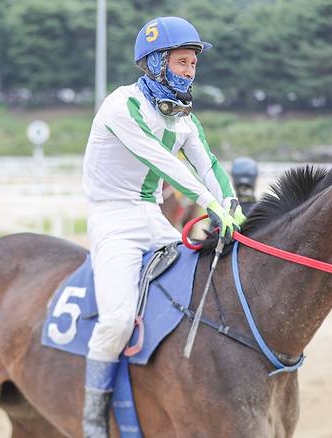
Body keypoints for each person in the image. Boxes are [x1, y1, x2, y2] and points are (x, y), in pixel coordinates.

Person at [81, 16, 246, 437]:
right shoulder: (122, 106)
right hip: (113, 219)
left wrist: (232, 205)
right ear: (156, 63)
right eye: (182, 62)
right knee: (116, 321)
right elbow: (164, 162)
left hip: (153, 218)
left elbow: (208, 164)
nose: (190, 71)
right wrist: (209, 205)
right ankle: (93, 419)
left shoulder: (183, 118)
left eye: (193, 64)